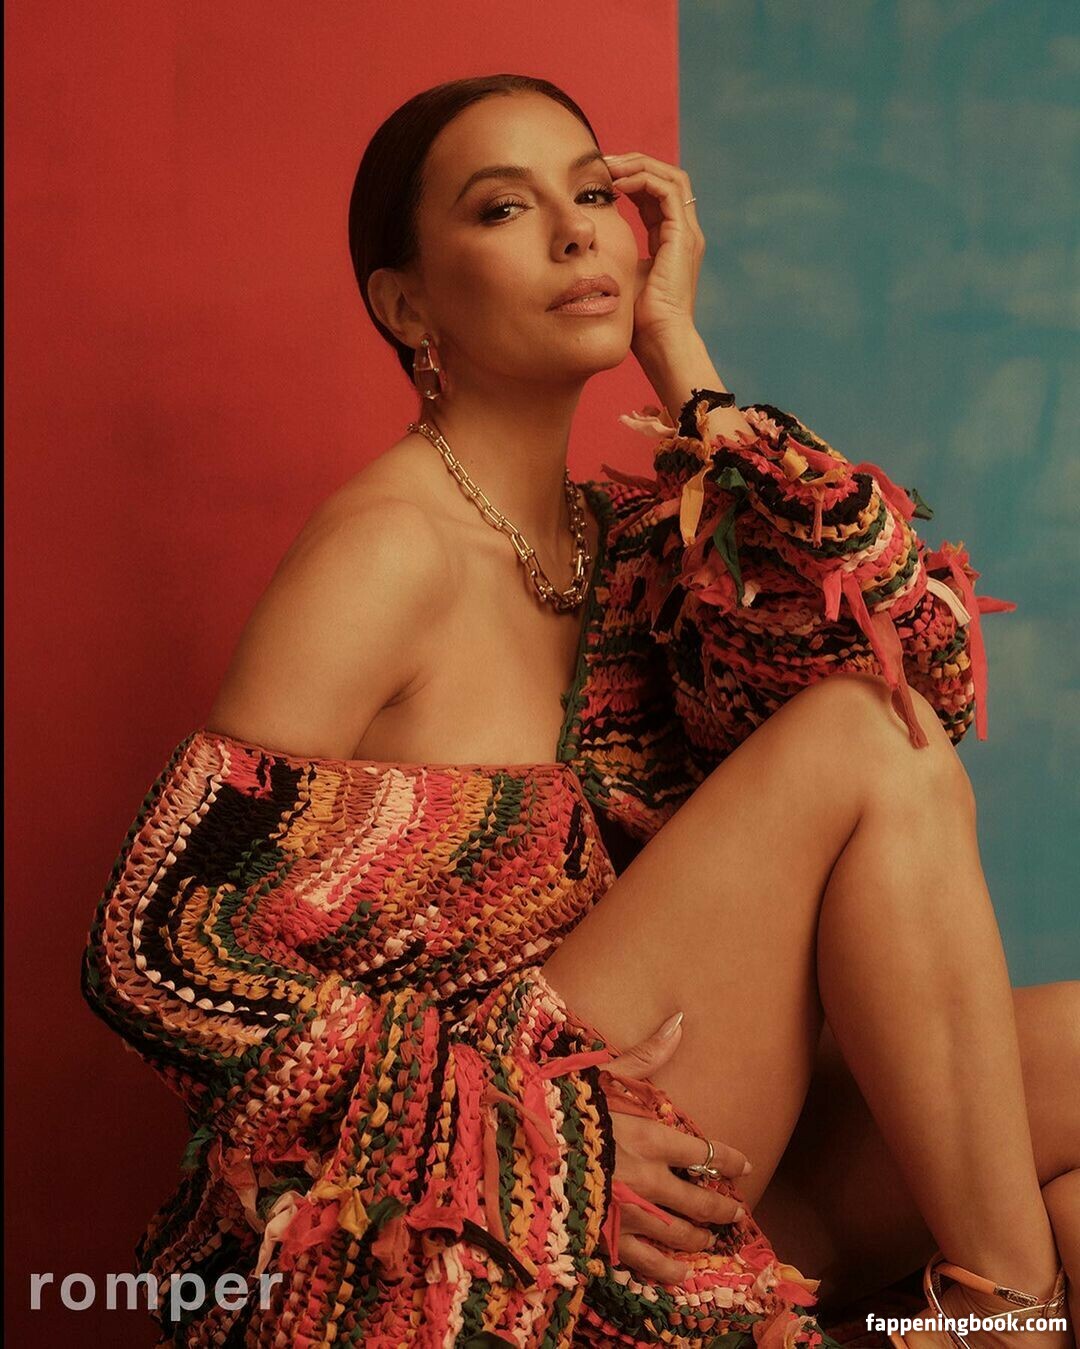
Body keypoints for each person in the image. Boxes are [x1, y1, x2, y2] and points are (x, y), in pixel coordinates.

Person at [80, 74, 1079, 1349]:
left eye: (594, 194)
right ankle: (1005, 1313)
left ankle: (986, 1308)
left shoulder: (630, 547)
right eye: (504, 208)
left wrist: (687, 364)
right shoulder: (386, 551)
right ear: (406, 305)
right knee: (855, 739)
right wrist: (509, 1133)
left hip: (676, 1135)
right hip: (477, 1206)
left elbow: (909, 662)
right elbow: (157, 944)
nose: (574, 233)